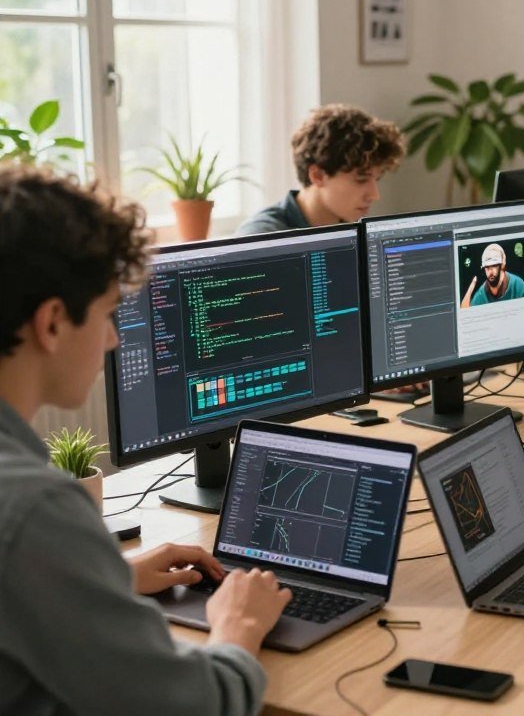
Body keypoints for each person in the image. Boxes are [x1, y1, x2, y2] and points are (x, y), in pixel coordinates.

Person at [0, 166, 291, 715]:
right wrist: (237, 626)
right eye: (109, 313)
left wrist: (101, 579)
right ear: (53, 322)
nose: (113, 338)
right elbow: (194, 706)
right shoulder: (35, 508)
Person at [236, 104, 404, 235]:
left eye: (377, 179)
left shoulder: (355, 233)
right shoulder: (260, 238)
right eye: (361, 179)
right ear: (317, 175)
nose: (375, 195)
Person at [460, 243, 524, 307]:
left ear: (502, 265)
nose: (490, 271)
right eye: (487, 267)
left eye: (494, 266)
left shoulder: (518, 286)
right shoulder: (480, 296)